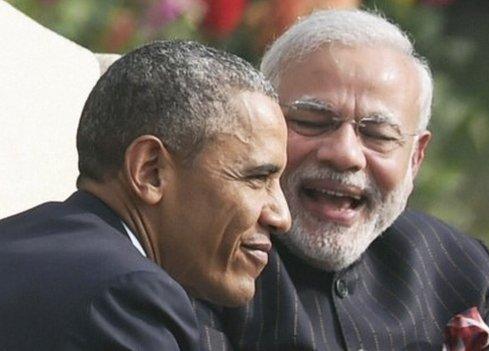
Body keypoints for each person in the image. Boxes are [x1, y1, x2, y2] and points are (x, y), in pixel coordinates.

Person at [198, 10, 489, 350]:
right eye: (313, 121)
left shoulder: (457, 269)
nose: (345, 154)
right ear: (259, 124)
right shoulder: (202, 261)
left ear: (416, 157)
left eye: (378, 134)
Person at [0, 40, 291, 350]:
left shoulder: (18, 242)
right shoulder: (127, 294)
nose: (281, 217)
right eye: (258, 178)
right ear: (150, 171)